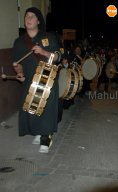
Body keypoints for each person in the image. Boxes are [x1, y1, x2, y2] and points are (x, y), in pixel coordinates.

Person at [13, 7, 61, 153]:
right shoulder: (19, 42)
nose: (29, 18)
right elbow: (18, 64)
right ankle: (39, 132)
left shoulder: (49, 37)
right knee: (31, 107)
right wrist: (19, 72)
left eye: (32, 16)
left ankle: (46, 137)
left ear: (38, 21)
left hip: (46, 77)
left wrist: (44, 52)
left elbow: (58, 57)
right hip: (29, 80)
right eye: (27, 16)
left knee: (46, 108)